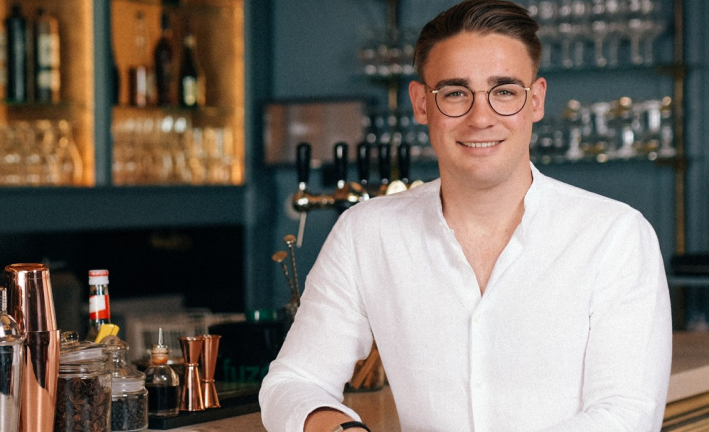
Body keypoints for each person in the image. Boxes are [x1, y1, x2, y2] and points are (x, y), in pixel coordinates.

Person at [259, 0, 673, 431]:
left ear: (536, 101)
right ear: (421, 104)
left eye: (505, 92)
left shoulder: (615, 236)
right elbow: (294, 381)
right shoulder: (366, 233)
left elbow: (627, 415)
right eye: (455, 92)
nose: (481, 118)